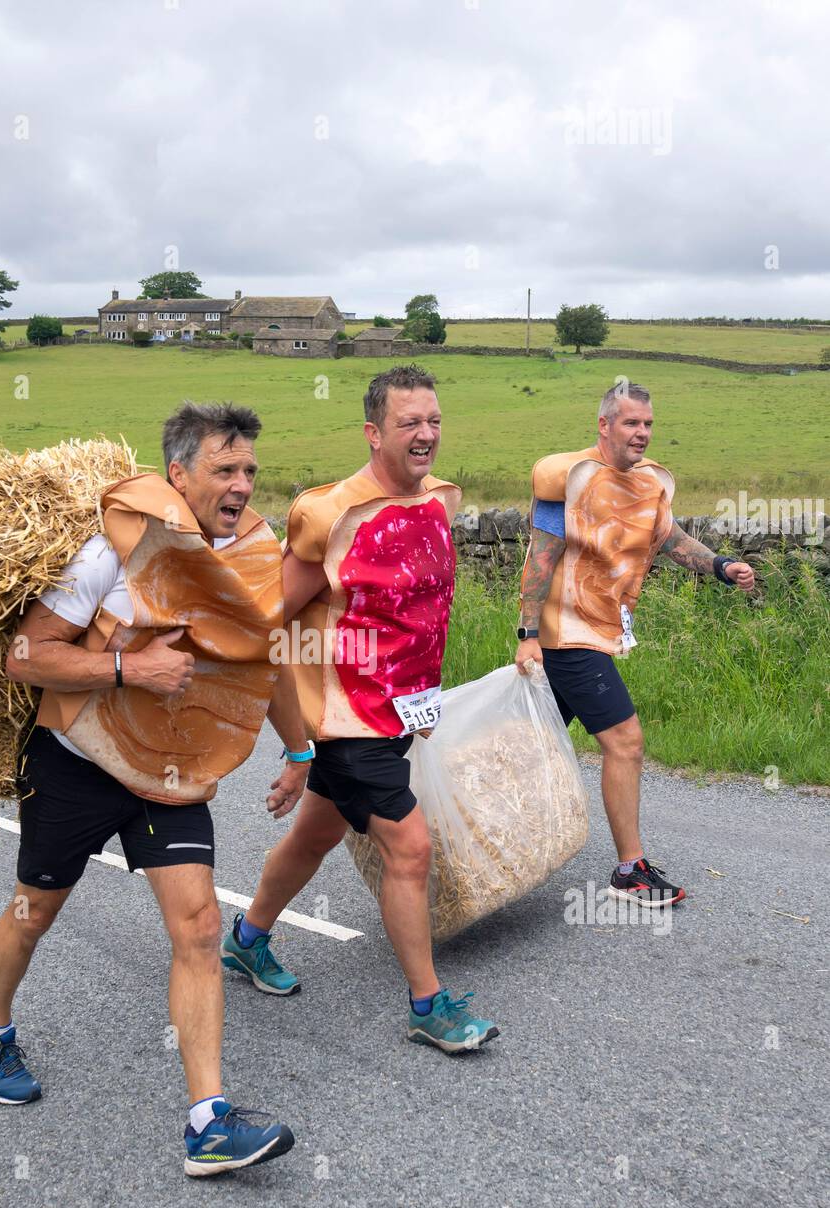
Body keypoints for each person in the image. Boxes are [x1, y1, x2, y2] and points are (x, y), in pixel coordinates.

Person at [0, 402, 313, 1178]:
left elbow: (265, 662)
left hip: (171, 776)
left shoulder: (251, 558)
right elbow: (25, 656)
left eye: (250, 469)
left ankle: (208, 1122)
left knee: (196, 930)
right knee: (34, 911)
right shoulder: (109, 554)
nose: (242, 485)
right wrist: (128, 667)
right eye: (225, 469)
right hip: (78, 763)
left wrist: (299, 746)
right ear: (177, 473)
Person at [220, 365, 499, 1054]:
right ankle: (428, 1005)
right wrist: (294, 739)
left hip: (396, 712)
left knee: (314, 835)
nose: (425, 434)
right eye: (409, 423)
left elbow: (420, 614)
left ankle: (246, 941)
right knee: (409, 848)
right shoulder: (330, 515)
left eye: (433, 421)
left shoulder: (436, 500)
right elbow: (265, 621)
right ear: (374, 431)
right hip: (344, 719)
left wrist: (420, 700)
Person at [514, 382, 755, 906]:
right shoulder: (569, 482)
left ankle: (473, 839)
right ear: (604, 426)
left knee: (530, 750)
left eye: (647, 424)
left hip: (601, 632)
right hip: (567, 637)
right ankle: (630, 870)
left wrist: (719, 565)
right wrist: (528, 635)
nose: (641, 433)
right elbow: (541, 557)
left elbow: (669, 539)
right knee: (625, 742)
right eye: (630, 423)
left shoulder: (647, 484)